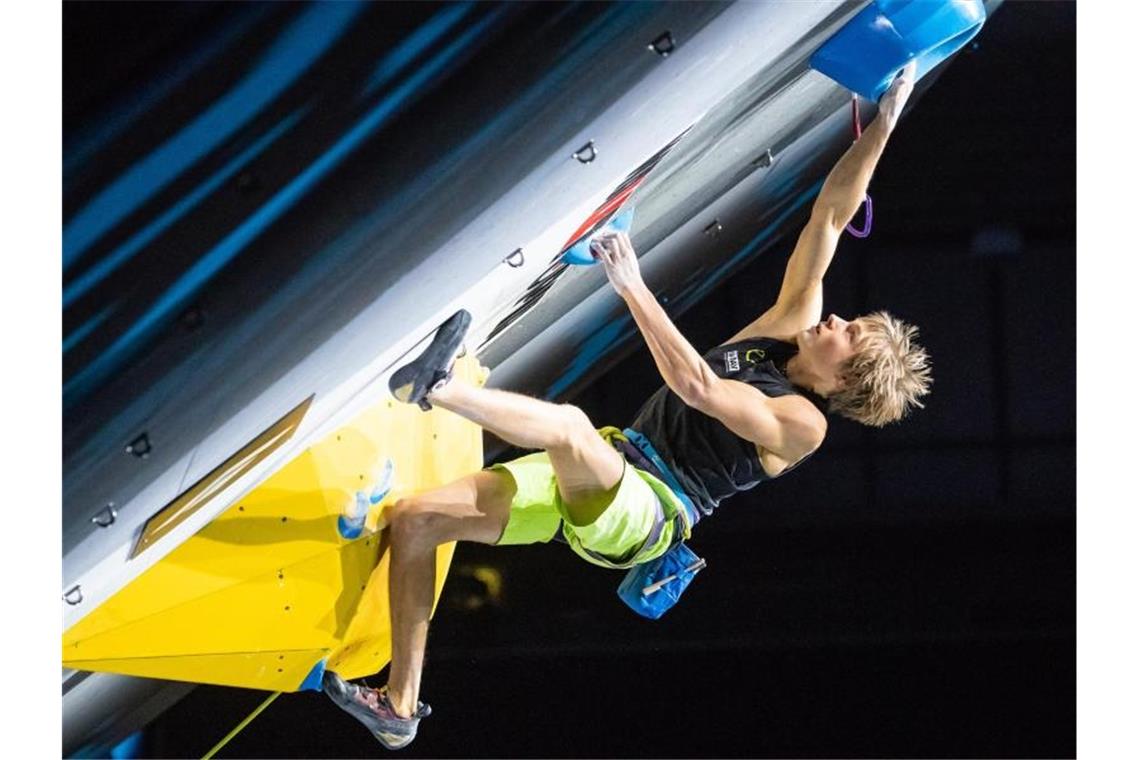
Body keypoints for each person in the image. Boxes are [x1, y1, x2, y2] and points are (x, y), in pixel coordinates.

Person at [323, 62, 931, 749]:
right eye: (850, 321)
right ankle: (400, 708)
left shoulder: (803, 425)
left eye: (848, 337)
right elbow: (831, 215)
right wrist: (885, 120)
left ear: (841, 382)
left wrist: (630, 280)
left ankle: (430, 389)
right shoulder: (791, 326)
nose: (838, 321)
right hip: (614, 464)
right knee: (417, 519)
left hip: (646, 514)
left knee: (569, 428)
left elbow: (697, 387)